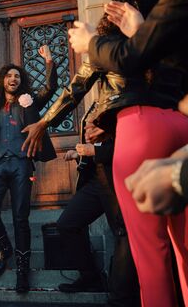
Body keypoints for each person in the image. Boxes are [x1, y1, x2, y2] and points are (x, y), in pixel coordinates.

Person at [56, 0, 188, 306]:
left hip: (140, 128)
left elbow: (76, 89)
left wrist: (94, 41)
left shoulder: (120, 49)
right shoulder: (184, 40)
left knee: (150, 248)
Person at [0, 45, 57, 293]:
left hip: (22, 164)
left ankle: (23, 270)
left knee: (20, 217)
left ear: (21, 81)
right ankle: (5, 248)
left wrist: (49, 63)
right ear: (2, 80)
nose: (13, 79)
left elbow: (51, 89)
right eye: (9, 75)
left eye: (17, 76)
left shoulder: (29, 102)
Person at [56, 104, 139, 306]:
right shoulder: (93, 108)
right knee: (67, 224)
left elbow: (128, 146)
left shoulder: (122, 110)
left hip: (115, 182)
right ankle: (90, 277)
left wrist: (96, 150)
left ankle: (122, 296)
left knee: (122, 235)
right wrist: (81, 154)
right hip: (94, 182)